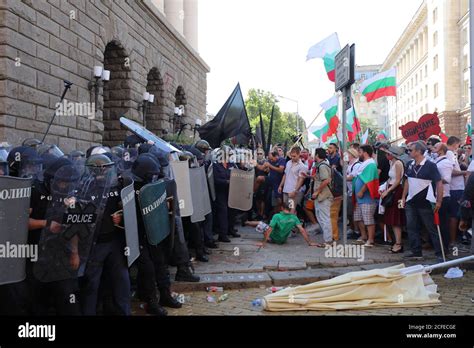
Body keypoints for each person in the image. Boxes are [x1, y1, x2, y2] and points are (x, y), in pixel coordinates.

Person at [401, 141, 444, 262]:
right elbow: (407, 181)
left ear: (419, 151)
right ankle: (416, 252)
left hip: (426, 202)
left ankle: (439, 254)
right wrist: (404, 197)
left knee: (431, 228)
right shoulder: (409, 164)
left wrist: (439, 201)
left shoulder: (430, 165)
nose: (408, 152)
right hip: (411, 202)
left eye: (411, 150)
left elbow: (439, 183)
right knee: (411, 227)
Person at [246, 202, 321, 247]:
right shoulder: (294, 218)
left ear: (282, 208)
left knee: (260, 223)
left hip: (273, 239)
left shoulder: (277, 216)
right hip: (282, 240)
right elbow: (302, 230)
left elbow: (270, 229)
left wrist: (263, 243)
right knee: (268, 226)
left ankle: (246, 222)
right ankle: (247, 222)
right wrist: (310, 243)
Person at [380, 146, 406, 253]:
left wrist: (388, 191)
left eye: (388, 154)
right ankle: (396, 241)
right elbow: (391, 178)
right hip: (391, 189)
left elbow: (398, 180)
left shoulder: (398, 163)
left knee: (395, 218)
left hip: (396, 191)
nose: (386, 156)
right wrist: (383, 188)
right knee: (391, 218)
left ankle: (398, 243)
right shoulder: (392, 163)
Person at [353, 145, 380, 247]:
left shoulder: (371, 164)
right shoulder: (364, 164)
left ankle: (371, 239)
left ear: (364, 153)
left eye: (359, 152)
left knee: (368, 219)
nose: (358, 154)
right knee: (359, 218)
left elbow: (369, 180)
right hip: (359, 198)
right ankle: (364, 236)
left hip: (366, 198)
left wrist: (361, 191)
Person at [446, 136, 467, 250]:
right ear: (455, 144)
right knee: (454, 216)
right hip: (455, 189)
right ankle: (453, 242)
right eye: (458, 145)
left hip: (455, 188)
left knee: (455, 215)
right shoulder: (449, 153)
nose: (458, 147)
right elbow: (452, 172)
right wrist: (466, 172)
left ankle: (454, 240)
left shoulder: (450, 154)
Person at [432, 142, 453, 252]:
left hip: (443, 196)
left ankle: (445, 247)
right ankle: (439, 245)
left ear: (441, 150)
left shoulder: (445, 163)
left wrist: (433, 180)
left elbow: (446, 179)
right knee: (437, 223)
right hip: (435, 195)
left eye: (435, 147)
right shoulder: (437, 161)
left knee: (443, 223)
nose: (433, 149)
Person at [312, 148, 334, 245]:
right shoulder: (321, 165)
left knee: (324, 218)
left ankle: (328, 240)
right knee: (321, 217)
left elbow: (326, 180)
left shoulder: (322, 166)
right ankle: (328, 238)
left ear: (317, 155)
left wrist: (317, 192)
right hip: (321, 196)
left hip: (324, 196)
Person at [278, 146, 307, 214]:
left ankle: (293, 223)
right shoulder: (288, 163)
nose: (292, 158)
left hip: (293, 191)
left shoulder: (302, 166)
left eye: (294, 156)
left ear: (299, 154)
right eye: (291, 156)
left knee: (292, 209)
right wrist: (280, 185)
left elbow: (301, 180)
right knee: (285, 209)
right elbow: (285, 175)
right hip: (285, 190)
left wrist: (295, 191)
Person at [346, 148, 361, 239]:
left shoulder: (357, 165)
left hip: (354, 191)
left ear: (351, 155)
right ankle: (353, 229)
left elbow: (351, 177)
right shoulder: (349, 164)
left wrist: (343, 177)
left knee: (353, 213)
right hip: (350, 191)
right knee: (349, 213)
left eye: (347, 154)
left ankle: (356, 231)